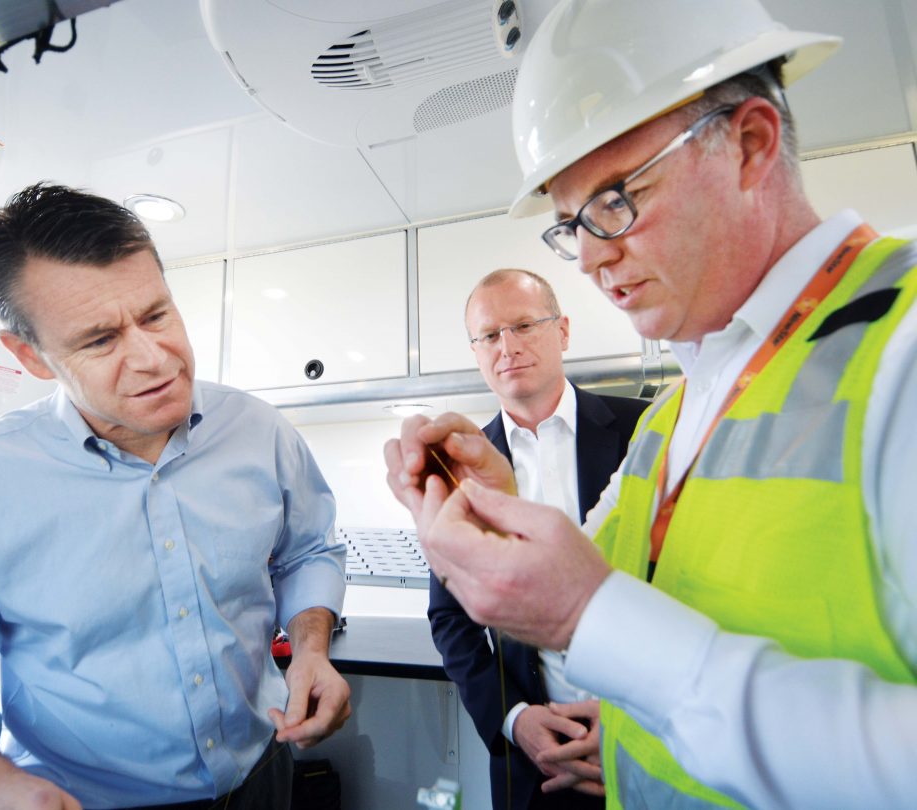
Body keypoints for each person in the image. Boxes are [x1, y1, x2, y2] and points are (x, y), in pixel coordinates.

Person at [385, 1, 917, 807]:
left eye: (615, 199)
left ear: (749, 144)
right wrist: (500, 514)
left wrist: (597, 624)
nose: (595, 258)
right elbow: (599, 616)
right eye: (573, 224)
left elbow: (605, 621)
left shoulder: (901, 345)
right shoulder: (672, 417)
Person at [0, 183, 351, 810]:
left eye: (157, 315)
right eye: (100, 339)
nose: (153, 359)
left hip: (262, 774)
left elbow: (306, 553)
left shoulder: (259, 431)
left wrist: (311, 650)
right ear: (30, 355)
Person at [427, 269, 646, 809]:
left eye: (524, 325)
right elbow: (449, 618)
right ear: (476, 351)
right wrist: (515, 719)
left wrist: (634, 718)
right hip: (538, 765)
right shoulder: (458, 466)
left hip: (650, 740)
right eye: (489, 335)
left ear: (563, 331)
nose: (507, 347)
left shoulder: (645, 430)